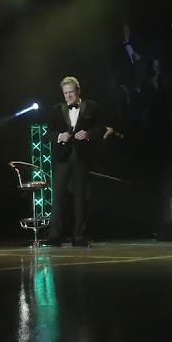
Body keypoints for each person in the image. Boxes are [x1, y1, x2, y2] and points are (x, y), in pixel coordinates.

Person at [42, 76, 105, 247]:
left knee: (80, 197)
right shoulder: (56, 109)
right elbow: (47, 135)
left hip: (82, 157)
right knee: (58, 196)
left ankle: (78, 236)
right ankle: (54, 235)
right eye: (65, 93)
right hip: (62, 158)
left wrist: (88, 134)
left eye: (71, 92)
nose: (69, 96)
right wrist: (59, 136)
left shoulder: (92, 106)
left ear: (78, 91)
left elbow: (102, 129)